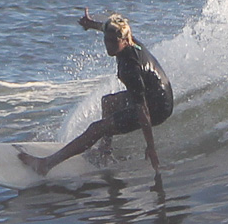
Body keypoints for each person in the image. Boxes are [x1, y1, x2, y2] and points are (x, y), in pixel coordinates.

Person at [19, 9, 173, 178]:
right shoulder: (128, 38)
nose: (108, 45)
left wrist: (150, 146)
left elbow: (142, 109)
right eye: (106, 40)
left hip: (158, 107)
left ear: (123, 40)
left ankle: (45, 165)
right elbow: (109, 28)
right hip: (156, 93)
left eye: (113, 42)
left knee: (96, 129)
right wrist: (91, 24)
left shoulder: (130, 66)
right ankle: (104, 153)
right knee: (108, 102)